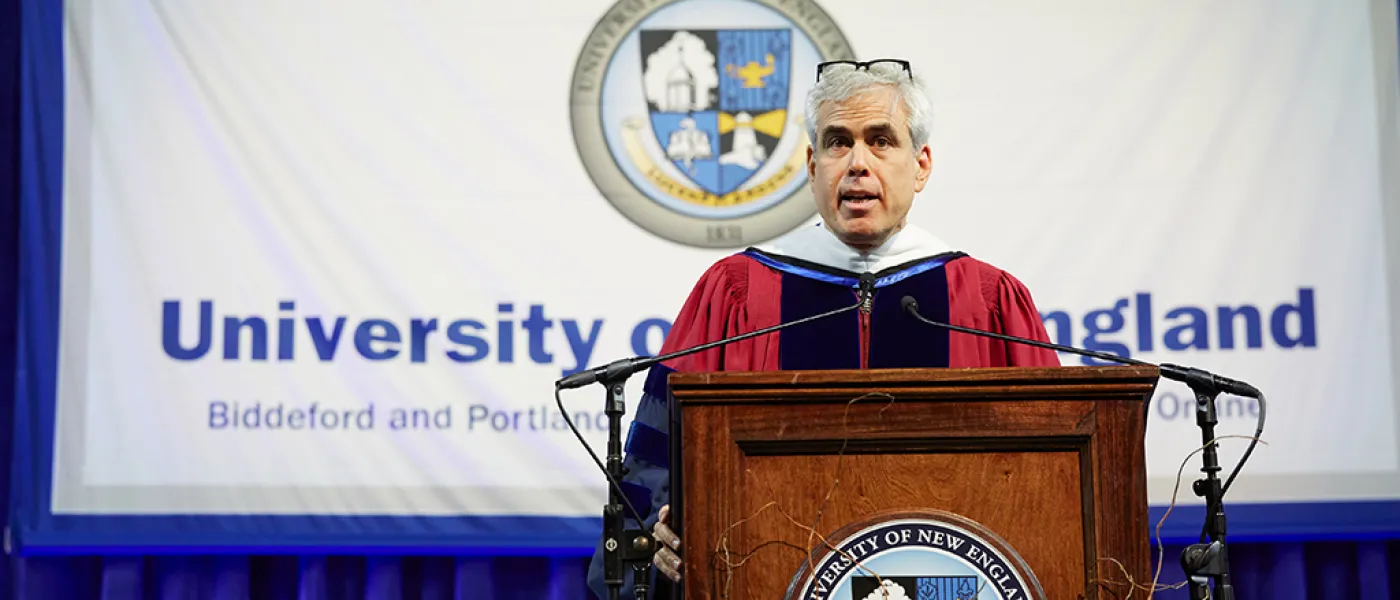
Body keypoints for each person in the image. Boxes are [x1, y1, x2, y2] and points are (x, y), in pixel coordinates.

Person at [585, 58, 1061, 599]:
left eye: (882, 141)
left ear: (921, 165)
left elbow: (1050, 477)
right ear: (812, 165)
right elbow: (655, 459)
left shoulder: (987, 300)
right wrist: (652, 538)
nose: (858, 163)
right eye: (838, 142)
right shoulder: (735, 292)